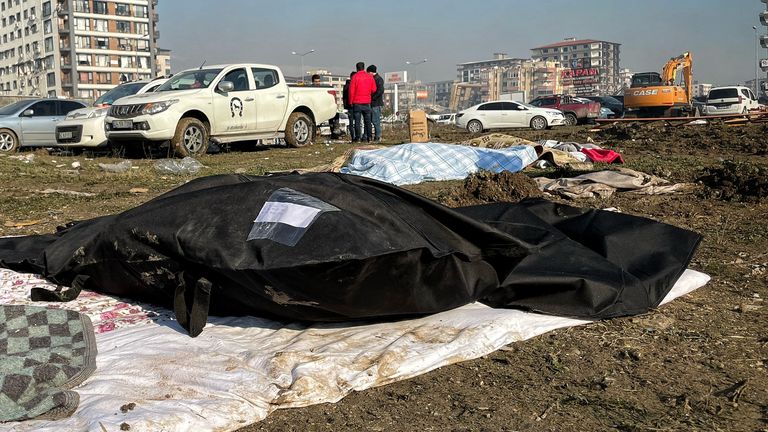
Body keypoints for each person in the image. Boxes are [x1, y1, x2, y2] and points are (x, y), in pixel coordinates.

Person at [348, 62, 377, 143]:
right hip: (367, 102)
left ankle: (358, 138)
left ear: (357, 68)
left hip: (357, 102)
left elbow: (351, 91)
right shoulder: (370, 77)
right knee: (367, 121)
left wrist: (351, 101)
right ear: (364, 68)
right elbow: (374, 89)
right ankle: (369, 137)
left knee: (357, 121)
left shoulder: (354, 77)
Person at [367, 65, 385, 142]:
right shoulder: (375, 78)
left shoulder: (378, 79)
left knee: (375, 120)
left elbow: (380, 91)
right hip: (373, 103)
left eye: (368, 72)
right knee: (373, 120)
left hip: (376, 104)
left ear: (371, 72)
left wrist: (372, 98)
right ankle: (376, 136)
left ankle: (378, 136)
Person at [343, 72, 356, 142]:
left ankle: (354, 137)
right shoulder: (348, 85)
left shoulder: (347, 85)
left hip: (351, 106)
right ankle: (354, 137)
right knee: (354, 123)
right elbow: (345, 97)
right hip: (352, 106)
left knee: (352, 123)